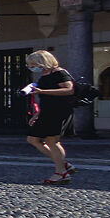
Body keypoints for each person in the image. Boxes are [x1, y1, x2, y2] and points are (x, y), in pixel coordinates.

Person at [22, 49, 79, 184]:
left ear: (43, 62)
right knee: (33, 139)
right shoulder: (44, 76)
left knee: (52, 141)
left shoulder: (60, 73)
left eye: (33, 64)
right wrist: (38, 113)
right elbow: (46, 98)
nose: (32, 67)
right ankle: (64, 164)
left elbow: (69, 89)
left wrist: (42, 91)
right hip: (47, 111)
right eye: (30, 65)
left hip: (60, 111)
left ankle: (61, 173)